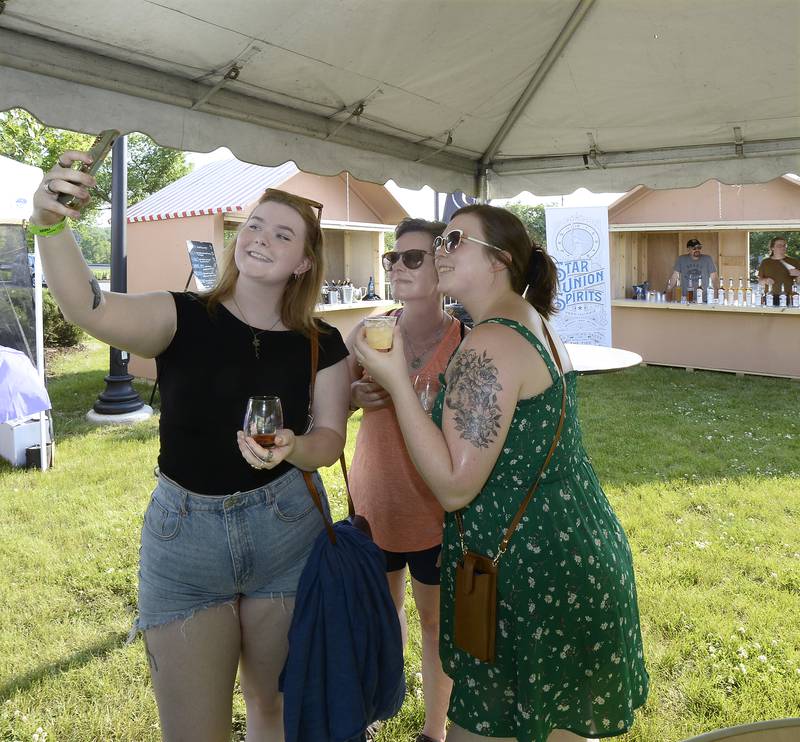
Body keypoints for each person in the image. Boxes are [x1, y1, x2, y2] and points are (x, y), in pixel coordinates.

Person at [30, 150, 350, 742]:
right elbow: (87, 308)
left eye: (283, 234)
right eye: (254, 225)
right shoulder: (180, 316)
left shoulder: (323, 342)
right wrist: (50, 223)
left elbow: (329, 440)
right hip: (185, 538)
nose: (260, 238)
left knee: (273, 708)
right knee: (192, 730)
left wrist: (292, 449)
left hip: (288, 531)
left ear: (304, 261)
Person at [353, 205, 648, 742]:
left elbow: (452, 484)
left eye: (455, 241)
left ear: (499, 261)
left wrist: (396, 381)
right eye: (439, 242)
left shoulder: (487, 341)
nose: (441, 252)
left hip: (527, 570)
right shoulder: (533, 323)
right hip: (571, 551)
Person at [346, 217, 461, 742]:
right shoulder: (370, 332)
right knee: (381, 614)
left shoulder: (465, 343)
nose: (397, 265)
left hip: (435, 509)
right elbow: (330, 404)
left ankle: (434, 731)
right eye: (394, 257)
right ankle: (377, 707)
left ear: (442, 267)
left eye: (412, 257)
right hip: (374, 499)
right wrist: (355, 396)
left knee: (434, 622)